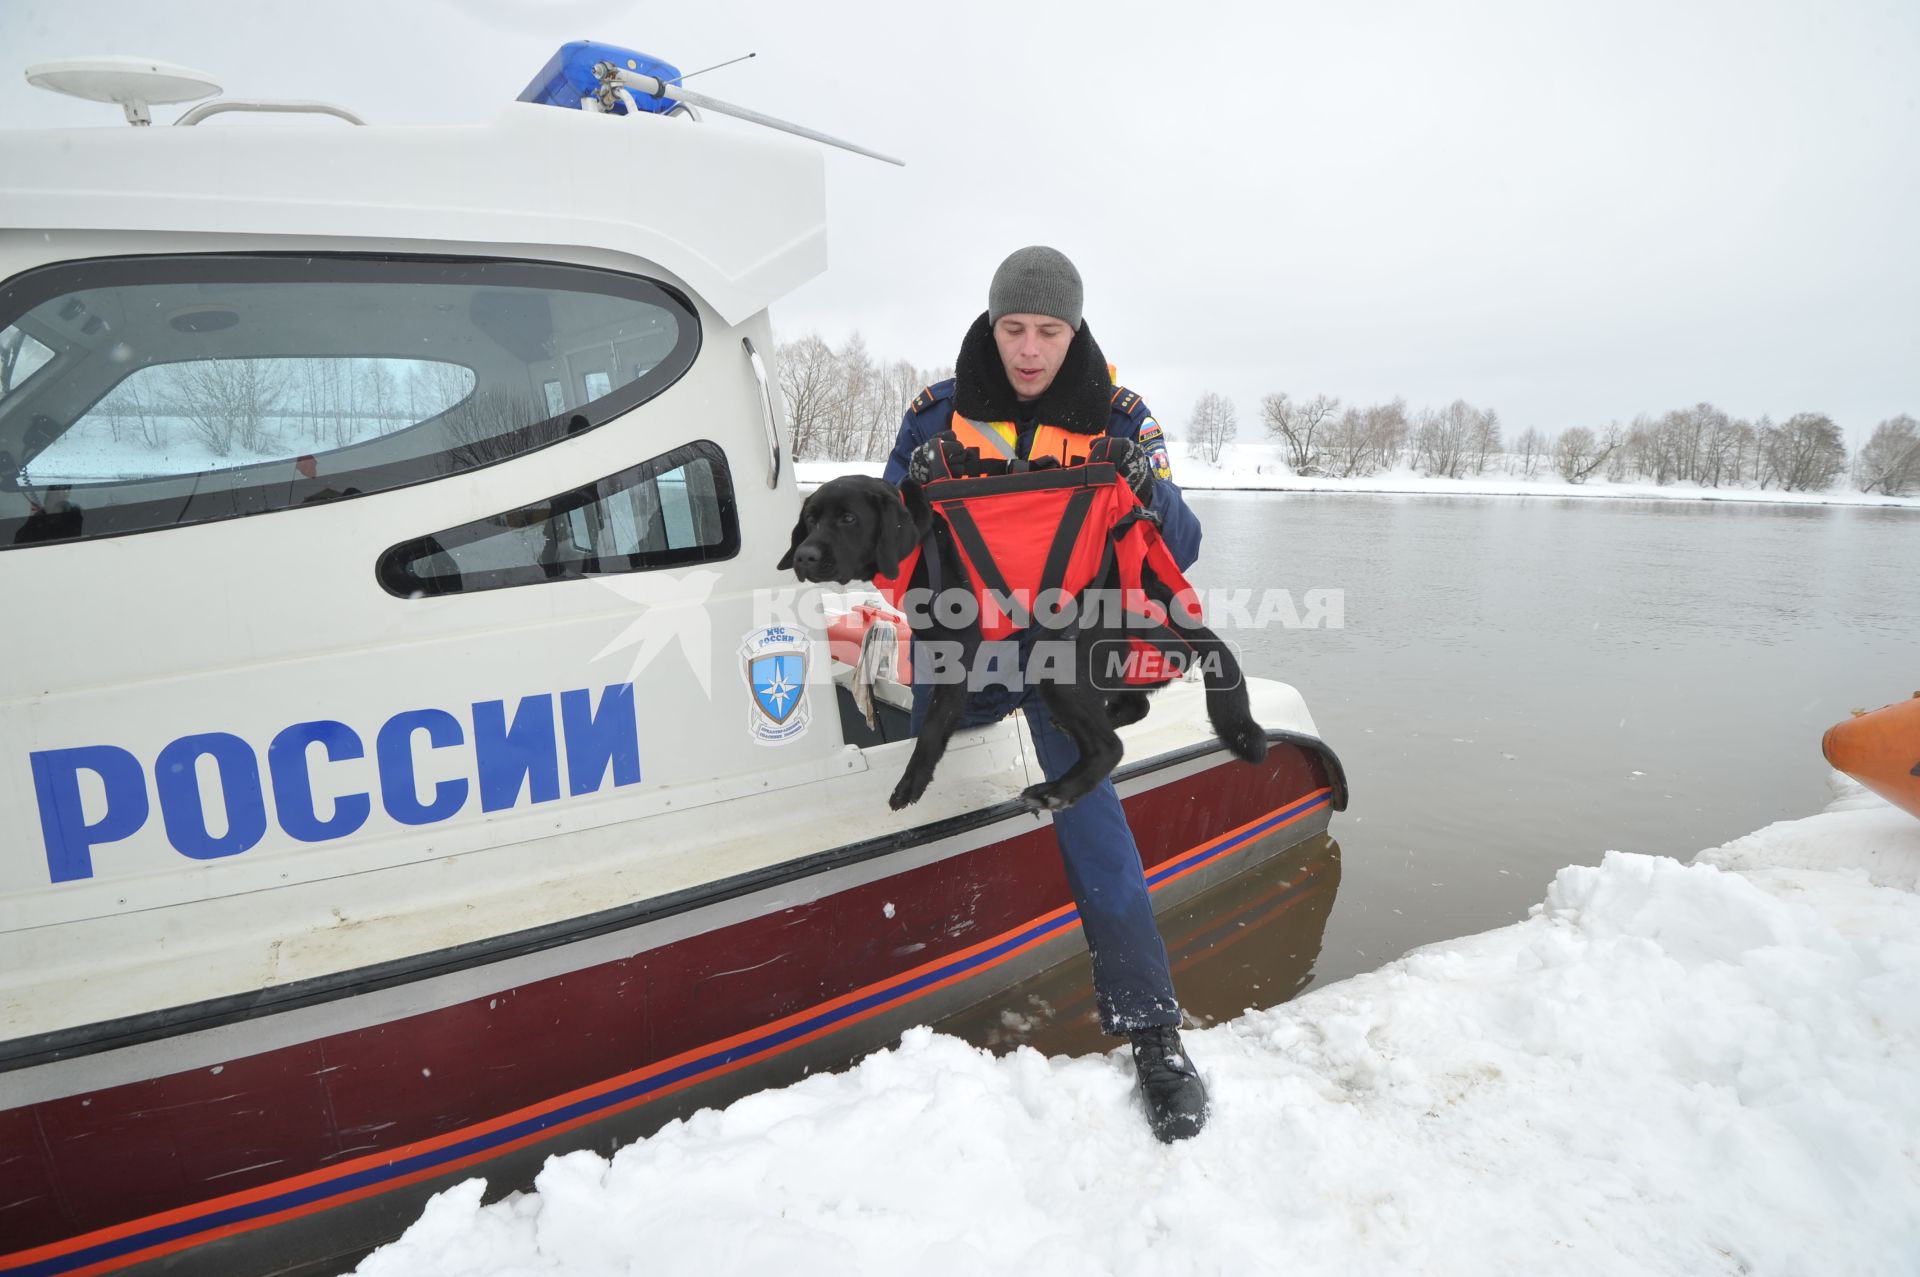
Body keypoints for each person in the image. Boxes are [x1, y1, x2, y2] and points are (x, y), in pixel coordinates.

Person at [881, 245, 1210, 1142]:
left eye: (1049, 330)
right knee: (935, 734)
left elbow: (1179, 543)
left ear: (1075, 331)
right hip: (969, 643)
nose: (1029, 349)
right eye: (1013, 328)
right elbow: (887, 538)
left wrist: (1146, 484)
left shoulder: (1121, 414)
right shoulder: (936, 415)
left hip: (1067, 642)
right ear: (993, 326)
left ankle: (1155, 1035)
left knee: (1093, 813)